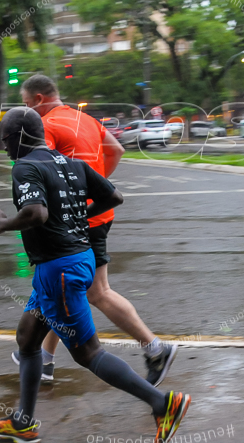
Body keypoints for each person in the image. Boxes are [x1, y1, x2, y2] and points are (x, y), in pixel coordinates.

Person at [0, 107, 190, 443]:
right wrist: (76, 217)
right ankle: (23, 422)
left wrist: (2, 224)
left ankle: (163, 403)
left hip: (59, 271)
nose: (4, 148)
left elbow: (36, 212)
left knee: (88, 353)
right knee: (27, 338)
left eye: (4, 140)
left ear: (18, 137)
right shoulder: (71, 163)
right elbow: (114, 196)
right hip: (73, 261)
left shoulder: (25, 167)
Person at [14, 74, 177, 386]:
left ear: (37, 100)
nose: (28, 112)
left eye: (26, 105)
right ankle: (44, 361)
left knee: (94, 291)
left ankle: (155, 348)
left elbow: (41, 167)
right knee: (57, 289)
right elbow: (116, 150)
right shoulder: (86, 120)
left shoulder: (46, 125)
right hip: (97, 213)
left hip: (75, 219)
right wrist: (95, 184)